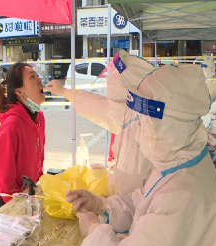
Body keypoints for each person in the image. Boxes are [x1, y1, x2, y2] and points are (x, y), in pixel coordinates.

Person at [64, 63, 216, 246]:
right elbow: (142, 202)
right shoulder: (180, 159)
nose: (138, 130)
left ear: (170, 127)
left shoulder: (181, 194)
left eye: (145, 122)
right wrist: (102, 205)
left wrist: (93, 229)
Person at [46, 50, 155, 196]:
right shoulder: (139, 118)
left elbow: (128, 193)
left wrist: (100, 199)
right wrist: (64, 92)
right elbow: (99, 107)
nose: (111, 108)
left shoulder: (140, 137)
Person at [0, 62, 46, 213]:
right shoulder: (11, 126)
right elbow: (4, 179)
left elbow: (38, 160)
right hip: (2, 196)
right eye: (32, 77)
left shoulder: (39, 117)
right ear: (19, 91)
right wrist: (17, 206)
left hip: (25, 190)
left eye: (37, 75)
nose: (39, 80)